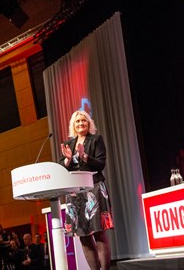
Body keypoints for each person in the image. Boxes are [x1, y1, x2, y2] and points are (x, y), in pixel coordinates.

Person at [59, 110, 113, 270]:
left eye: (84, 121)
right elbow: (62, 167)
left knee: (98, 232)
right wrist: (68, 159)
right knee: (83, 236)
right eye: (77, 121)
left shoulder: (96, 140)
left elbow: (101, 164)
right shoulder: (68, 144)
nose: (81, 123)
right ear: (73, 126)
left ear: (89, 123)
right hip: (75, 193)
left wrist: (84, 156)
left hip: (94, 189)